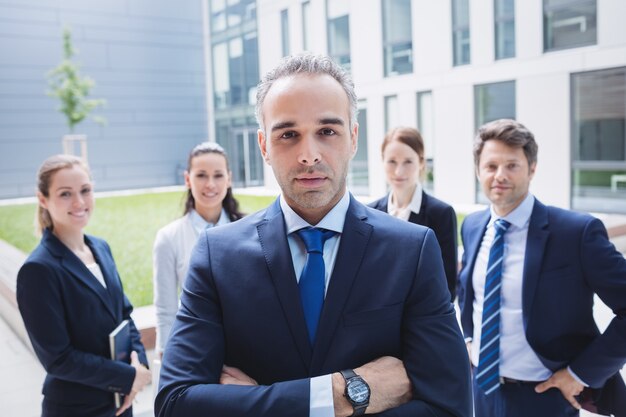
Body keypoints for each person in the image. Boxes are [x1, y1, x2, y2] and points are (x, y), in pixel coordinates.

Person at [155, 54, 471, 417]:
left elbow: (451, 407)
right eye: (288, 134)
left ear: (353, 138)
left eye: (327, 131)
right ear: (264, 146)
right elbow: (175, 403)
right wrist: (345, 393)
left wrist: (257, 404)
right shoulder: (216, 255)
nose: (308, 155)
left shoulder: (412, 250)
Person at [458, 119, 626, 417]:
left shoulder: (576, 233)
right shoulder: (472, 227)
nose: (500, 175)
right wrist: (470, 339)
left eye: (512, 165)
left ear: (532, 168)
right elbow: (469, 292)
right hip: (481, 391)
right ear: (477, 170)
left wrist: (579, 375)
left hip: (545, 396)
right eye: (491, 166)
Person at [16, 154, 151, 417]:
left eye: (85, 190)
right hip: (76, 408)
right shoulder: (38, 270)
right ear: (43, 199)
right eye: (65, 194)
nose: (79, 202)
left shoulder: (100, 247)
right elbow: (58, 359)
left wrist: (139, 364)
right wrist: (127, 377)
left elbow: (123, 314)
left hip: (121, 402)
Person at [152, 141, 243, 356]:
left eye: (218, 175)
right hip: (194, 350)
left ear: (229, 179)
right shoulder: (168, 238)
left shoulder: (249, 230)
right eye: (201, 175)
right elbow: (166, 309)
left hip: (244, 347)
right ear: (187, 179)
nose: (210, 184)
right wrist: (166, 355)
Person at [369, 127, 458, 300]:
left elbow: (448, 283)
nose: (399, 172)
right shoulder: (371, 212)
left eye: (408, 162)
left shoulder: (441, 214)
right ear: (382, 161)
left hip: (420, 318)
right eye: (392, 161)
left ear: (421, 162)